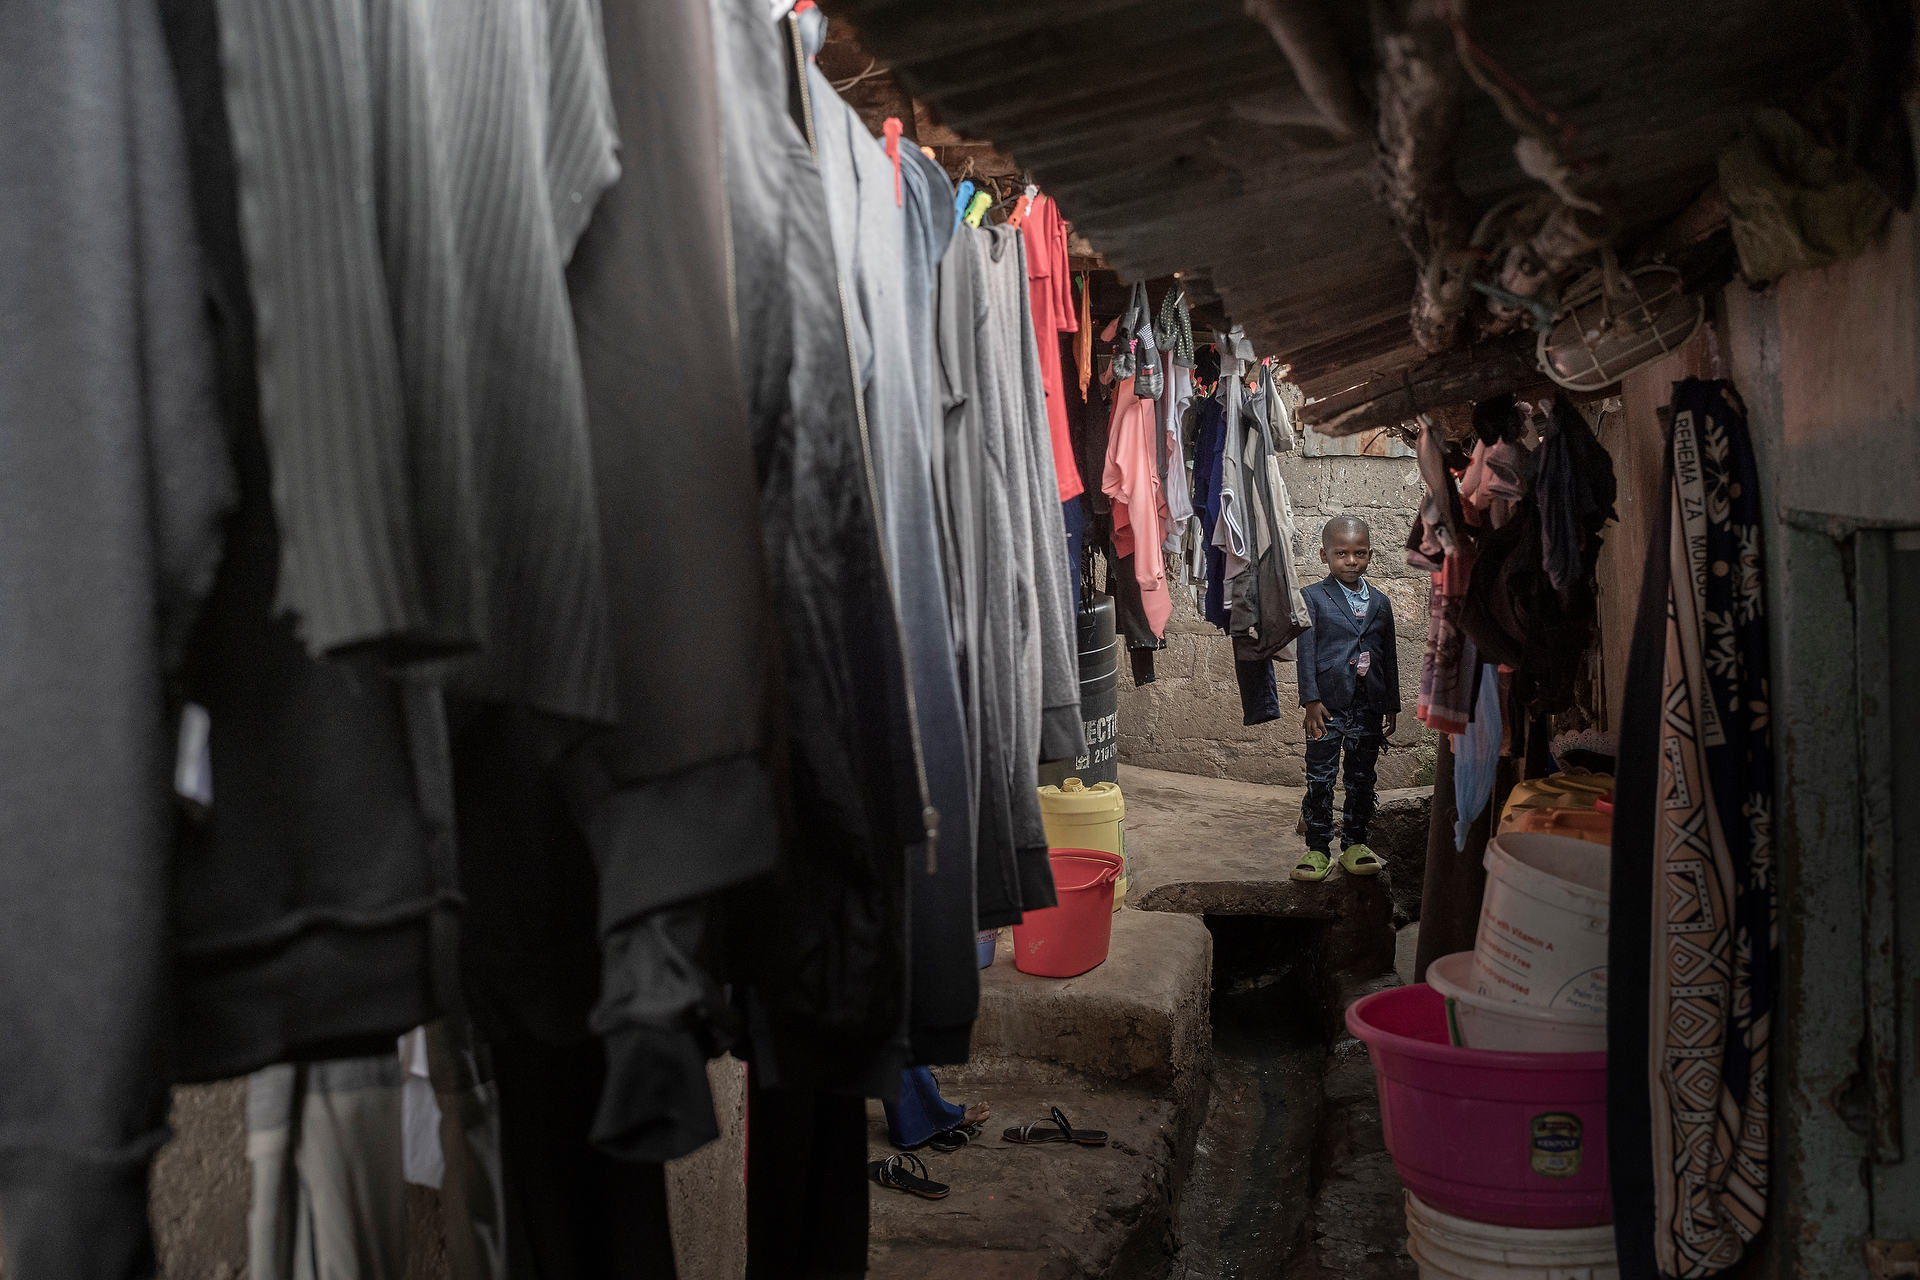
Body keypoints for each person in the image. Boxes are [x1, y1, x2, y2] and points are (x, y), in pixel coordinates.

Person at [1290, 515, 1399, 882]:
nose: (1351, 561)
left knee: (1362, 778)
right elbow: (1306, 653)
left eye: (1359, 553)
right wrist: (1310, 701)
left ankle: (1355, 843)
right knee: (1320, 777)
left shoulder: (1380, 602)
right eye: (1341, 554)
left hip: (1369, 706)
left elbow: (1388, 656)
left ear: (1370, 554)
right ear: (1325, 556)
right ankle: (1318, 848)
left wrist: (1391, 703)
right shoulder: (1312, 598)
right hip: (1326, 707)